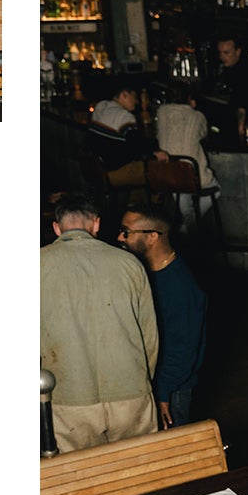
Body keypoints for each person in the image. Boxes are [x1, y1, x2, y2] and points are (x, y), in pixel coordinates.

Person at [39, 193, 159, 450]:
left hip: (68, 397)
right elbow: (149, 336)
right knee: (141, 476)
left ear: (57, 228)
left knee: (84, 480)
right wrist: (141, 379)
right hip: (130, 392)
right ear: (96, 224)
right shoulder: (129, 263)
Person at [116, 205, 206, 428]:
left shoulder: (179, 286)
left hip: (171, 390)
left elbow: (183, 350)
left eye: (126, 232)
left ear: (153, 237)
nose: (120, 237)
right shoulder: (149, 273)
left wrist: (163, 394)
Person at [152, 81, 218, 193]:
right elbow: (203, 133)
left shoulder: (161, 112)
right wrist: (192, 108)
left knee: (180, 192)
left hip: (166, 174)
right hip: (192, 174)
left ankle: (187, 211)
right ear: (189, 98)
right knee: (216, 189)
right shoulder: (197, 116)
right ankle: (191, 211)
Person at [203, 32, 248, 130]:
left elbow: (242, 105)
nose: (221, 57)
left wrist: (240, 127)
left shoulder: (247, 72)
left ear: (238, 52)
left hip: (245, 125)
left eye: (226, 53)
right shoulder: (222, 70)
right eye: (220, 52)